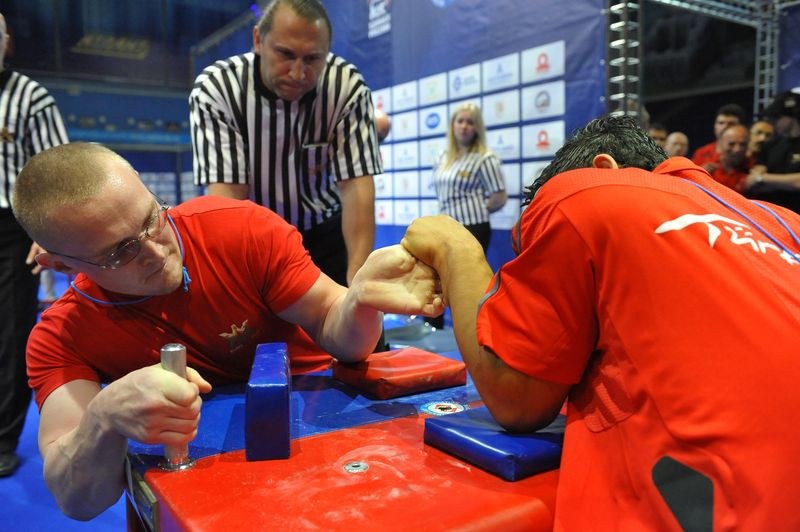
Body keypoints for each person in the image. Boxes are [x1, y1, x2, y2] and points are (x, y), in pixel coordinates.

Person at [401, 115, 800, 530]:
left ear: (602, 168)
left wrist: (453, 245)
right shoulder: (783, 221)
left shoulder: (587, 189)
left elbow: (516, 397)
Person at [12, 142, 442, 520]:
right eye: (120, 252)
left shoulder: (238, 228)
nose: (155, 251)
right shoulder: (62, 335)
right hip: (200, 481)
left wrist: (360, 303)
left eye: (151, 218)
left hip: (327, 429)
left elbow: (339, 332)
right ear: (61, 265)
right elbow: (77, 500)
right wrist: (103, 419)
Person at [190, 0, 381, 288]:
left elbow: (356, 186)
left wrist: (360, 283)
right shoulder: (217, 89)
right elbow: (228, 195)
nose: (297, 73)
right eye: (285, 54)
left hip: (326, 233)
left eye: (313, 59)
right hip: (255, 237)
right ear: (258, 40)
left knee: (359, 326)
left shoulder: (346, 86)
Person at [0, 12, 68, 478]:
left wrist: (45, 233)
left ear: (6, 42)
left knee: (9, 332)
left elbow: (56, 170)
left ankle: (3, 439)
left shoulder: (31, 98)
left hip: (10, 228)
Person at [431, 102, 507, 253]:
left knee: (466, 275)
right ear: (453, 125)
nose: (464, 126)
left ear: (477, 128)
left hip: (473, 228)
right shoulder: (442, 157)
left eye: (470, 122)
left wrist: (476, 210)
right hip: (445, 227)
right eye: (460, 121)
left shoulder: (485, 158)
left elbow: (499, 197)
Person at [746, 90, 800, 212]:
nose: (773, 122)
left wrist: (764, 179)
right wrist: (788, 182)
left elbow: (799, 183)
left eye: (777, 117)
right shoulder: (770, 145)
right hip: (773, 216)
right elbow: (752, 181)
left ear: (791, 117)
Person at [691, 103, 746, 171]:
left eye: (731, 123)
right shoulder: (702, 153)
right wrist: (700, 173)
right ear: (715, 126)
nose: (725, 127)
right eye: (721, 123)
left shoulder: (748, 154)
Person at [706, 124, 750, 192]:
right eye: (731, 144)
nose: (737, 149)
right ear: (720, 144)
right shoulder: (705, 165)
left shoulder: (753, 167)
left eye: (742, 144)